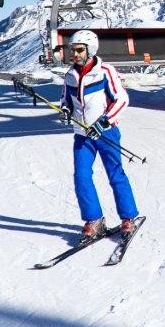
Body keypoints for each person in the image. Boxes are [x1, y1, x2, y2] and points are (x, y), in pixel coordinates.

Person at [59, 29, 140, 239]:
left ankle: (128, 217)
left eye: (78, 50)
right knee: (82, 176)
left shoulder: (105, 71)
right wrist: (66, 112)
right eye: (72, 50)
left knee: (115, 174)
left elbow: (121, 100)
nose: (74, 54)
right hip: (82, 135)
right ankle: (94, 220)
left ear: (90, 49)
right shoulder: (70, 75)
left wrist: (104, 122)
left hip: (106, 134)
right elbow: (66, 101)